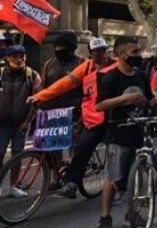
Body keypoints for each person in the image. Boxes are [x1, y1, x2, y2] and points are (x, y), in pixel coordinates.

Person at [30, 37, 114, 199]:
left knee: (120, 150)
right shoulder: (84, 67)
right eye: (96, 51)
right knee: (81, 148)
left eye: (103, 50)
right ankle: (71, 183)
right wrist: (40, 96)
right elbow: (64, 84)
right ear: (91, 53)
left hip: (113, 117)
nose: (100, 54)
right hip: (90, 117)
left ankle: (121, 185)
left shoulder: (116, 66)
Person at [95, 36, 157, 228]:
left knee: (138, 178)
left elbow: (149, 99)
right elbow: (100, 105)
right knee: (113, 178)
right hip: (118, 134)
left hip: (138, 133)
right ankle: (105, 217)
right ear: (120, 54)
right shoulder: (111, 78)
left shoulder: (141, 75)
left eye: (139, 51)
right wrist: (125, 99)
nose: (139, 55)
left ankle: (132, 214)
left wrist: (155, 102)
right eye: (134, 52)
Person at [0, 45, 41, 199]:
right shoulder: (1, 74)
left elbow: (36, 101)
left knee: (17, 155)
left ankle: (13, 186)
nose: (19, 59)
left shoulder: (33, 76)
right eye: (15, 56)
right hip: (2, 124)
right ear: (7, 58)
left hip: (20, 124)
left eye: (22, 56)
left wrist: (27, 121)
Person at [40, 33, 84, 110]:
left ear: (71, 49)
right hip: (51, 110)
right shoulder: (49, 64)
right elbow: (42, 87)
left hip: (74, 111)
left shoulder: (82, 63)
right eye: (57, 48)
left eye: (62, 48)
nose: (59, 50)